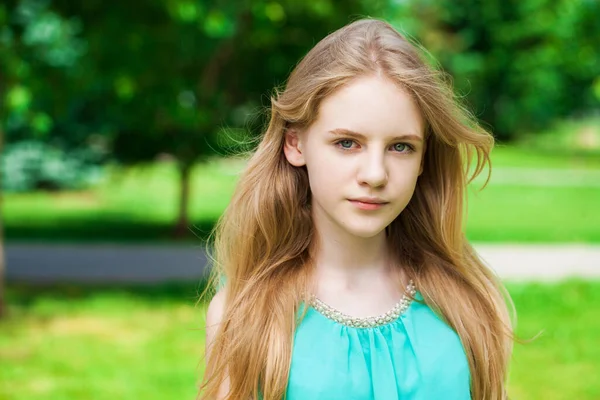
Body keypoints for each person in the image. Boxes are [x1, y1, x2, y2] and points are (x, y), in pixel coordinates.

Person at [198, 17, 515, 400]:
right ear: (295, 144)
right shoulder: (245, 315)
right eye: (348, 143)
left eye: (401, 146)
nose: (376, 174)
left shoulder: (468, 304)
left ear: (423, 159)